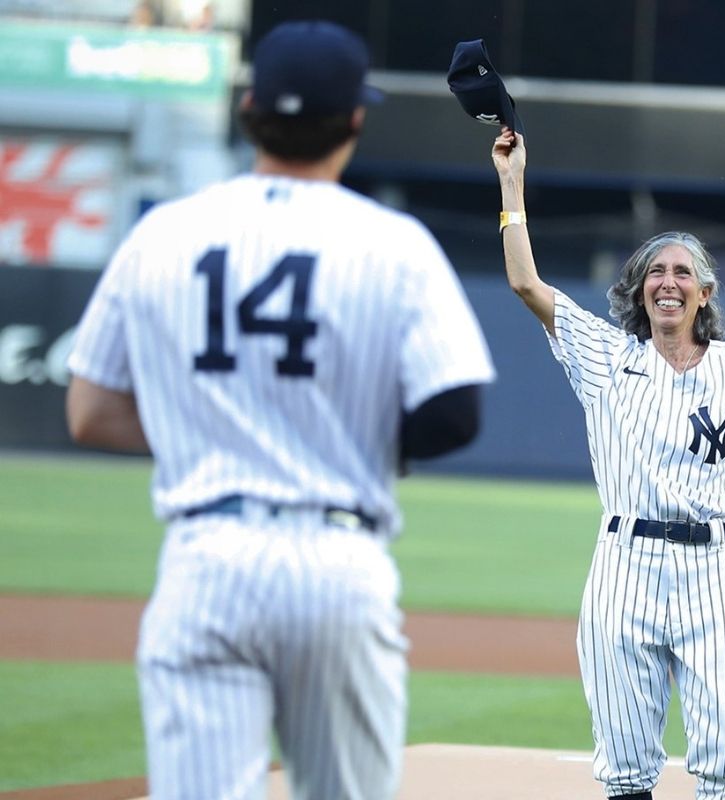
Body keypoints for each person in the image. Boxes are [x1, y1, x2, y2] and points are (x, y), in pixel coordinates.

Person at [65, 20, 495, 800]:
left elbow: (90, 411)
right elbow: (456, 412)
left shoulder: (162, 233)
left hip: (207, 558)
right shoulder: (393, 244)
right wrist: (335, 437)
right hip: (336, 561)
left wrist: (215, 432)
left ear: (250, 109)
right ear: (355, 121)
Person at [490, 127, 725, 800]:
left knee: (723, 760)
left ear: (705, 292)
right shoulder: (606, 358)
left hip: (713, 573)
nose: (668, 282)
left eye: (682, 272)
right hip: (623, 566)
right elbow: (524, 281)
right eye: (656, 273)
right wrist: (512, 183)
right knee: (627, 763)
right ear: (638, 291)